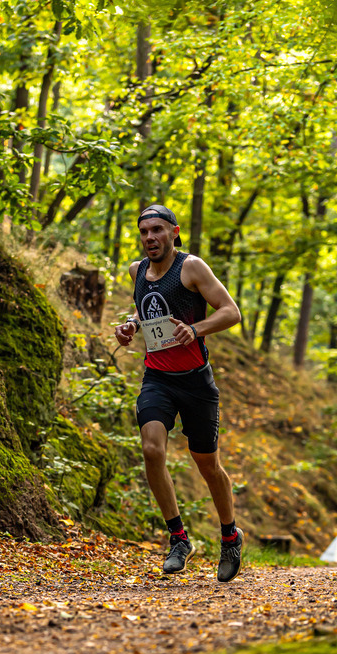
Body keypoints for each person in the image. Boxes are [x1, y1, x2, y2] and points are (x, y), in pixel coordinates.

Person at [114, 204, 243, 583]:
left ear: (174, 232)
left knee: (208, 466)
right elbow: (145, 312)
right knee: (152, 448)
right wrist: (130, 325)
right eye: (144, 232)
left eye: (157, 230)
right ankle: (178, 538)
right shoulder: (137, 271)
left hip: (196, 382)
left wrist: (196, 329)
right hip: (158, 379)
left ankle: (230, 535)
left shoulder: (191, 267)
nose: (150, 238)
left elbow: (231, 312)